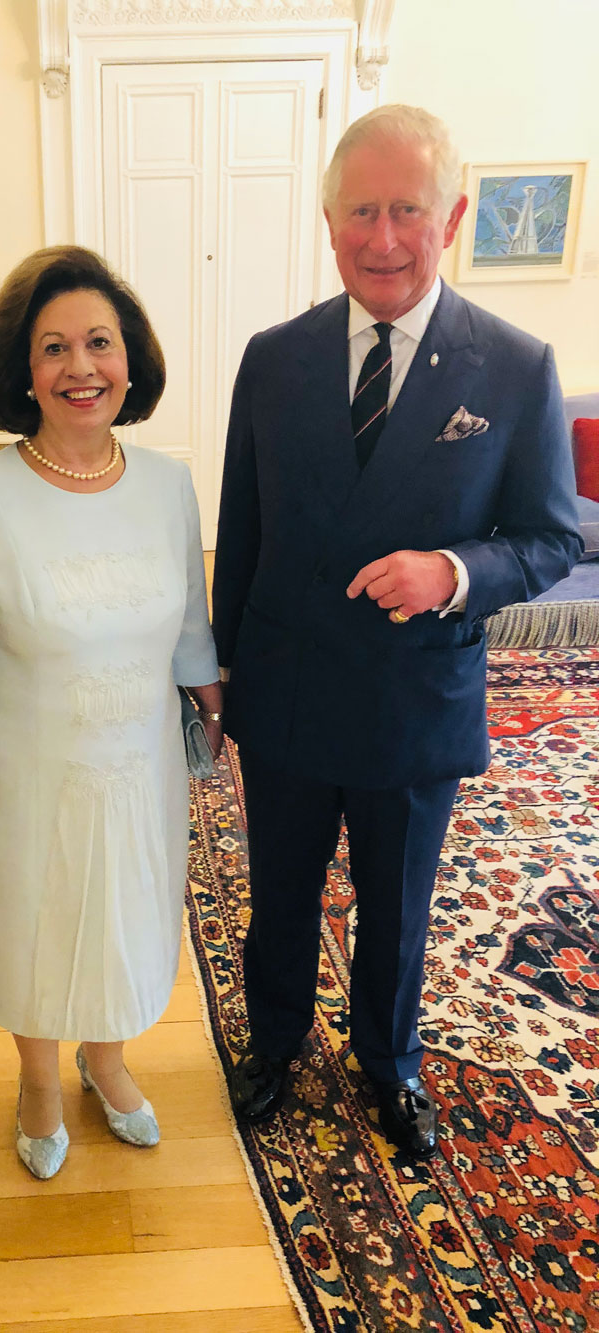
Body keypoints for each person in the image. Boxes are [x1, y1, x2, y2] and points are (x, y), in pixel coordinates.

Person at [212, 105, 582, 1159]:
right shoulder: (272, 358)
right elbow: (242, 524)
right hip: (287, 688)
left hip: (415, 694)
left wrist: (453, 573)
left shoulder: (513, 365)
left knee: (398, 904)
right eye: (361, 212)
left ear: (452, 217)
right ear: (328, 220)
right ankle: (274, 1042)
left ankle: (389, 1060)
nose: (382, 238)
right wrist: (221, 664)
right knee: (280, 892)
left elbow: (551, 536)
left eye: (407, 211)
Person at [0, 245, 222, 1179]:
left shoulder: (169, 483)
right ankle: (39, 1077)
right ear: (23, 370)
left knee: (125, 905)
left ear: (131, 359)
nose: (80, 367)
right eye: (53, 348)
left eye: (99, 342)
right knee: (34, 911)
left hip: (138, 755)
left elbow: (189, 616)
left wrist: (210, 699)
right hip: (20, 762)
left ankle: (108, 1056)